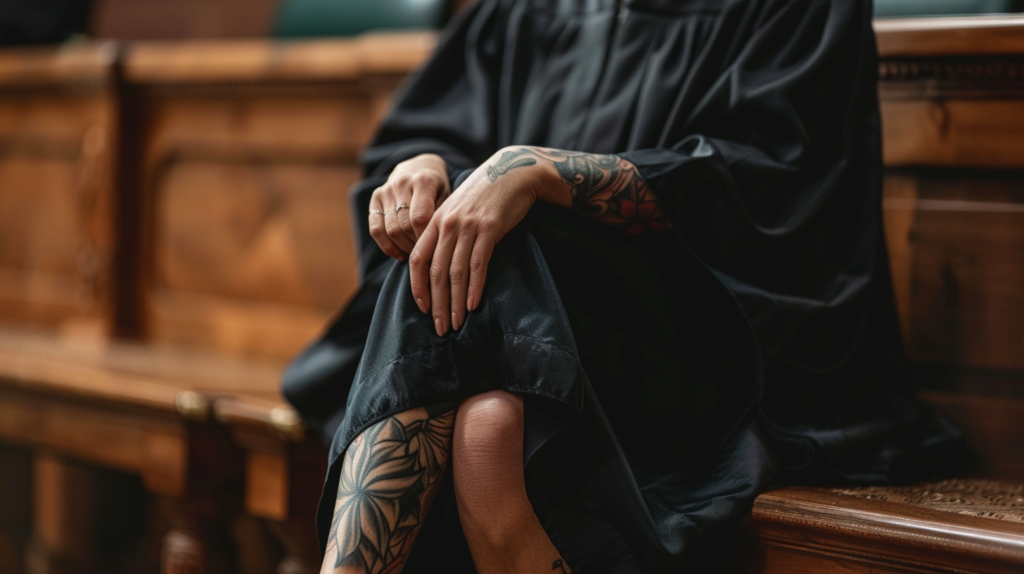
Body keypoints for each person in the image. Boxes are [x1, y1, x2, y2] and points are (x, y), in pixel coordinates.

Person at [283, 0, 966, 572]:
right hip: (539, 337)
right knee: (491, 426)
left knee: (503, 276)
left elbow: (767, 196)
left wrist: (542, 174)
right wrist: (425, 164)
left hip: (722, 347)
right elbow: (437, 128)